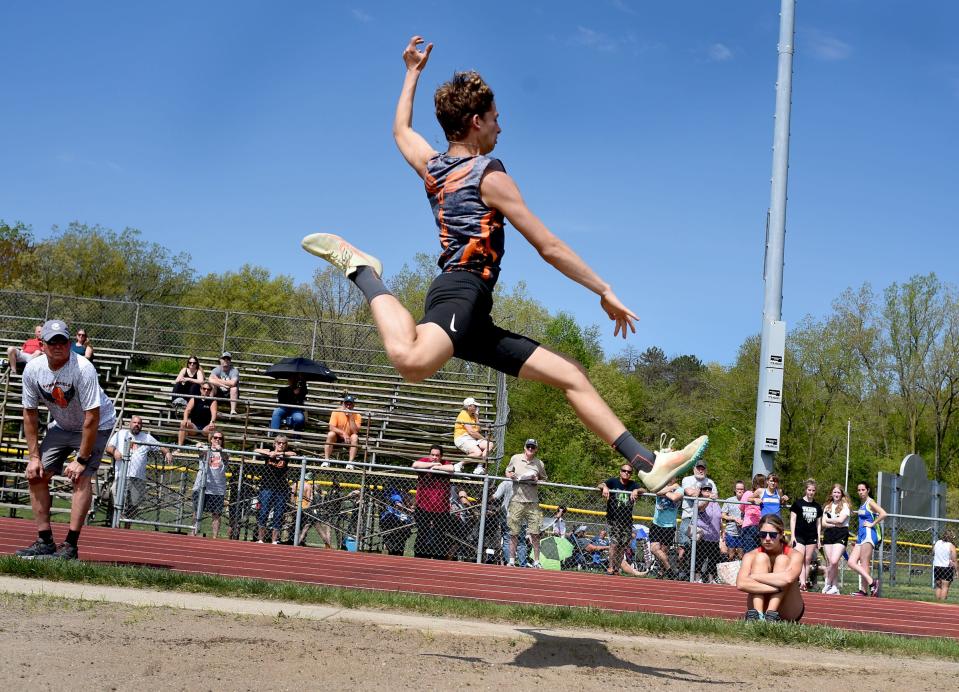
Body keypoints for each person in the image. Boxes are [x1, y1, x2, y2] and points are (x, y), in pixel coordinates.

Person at [301, 35, 708, 493]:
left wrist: (411, 73)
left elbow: (400, 131)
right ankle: (365, 273)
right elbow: (548, 245)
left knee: (571, 375)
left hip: (472, 308)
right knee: (410, 360)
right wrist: (603, 288)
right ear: (476, 122)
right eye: (495, 118)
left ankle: (647, 462)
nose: (500, 126)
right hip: (460, 292)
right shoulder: (488, 174)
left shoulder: (432, 166)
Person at [14, 320, 116, 560]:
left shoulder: (83, 368)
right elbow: (29, 413)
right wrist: (33, 457)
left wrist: (81, 459)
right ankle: (44, 540)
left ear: (70, 343)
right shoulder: (33, 370)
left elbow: (92, 416)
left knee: (81, 476)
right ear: (42, 344)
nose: (58, 346)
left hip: (97, 424)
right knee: (36, 475)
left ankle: (70, 545)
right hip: (62, 425)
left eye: (63, 341)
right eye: (52, 342)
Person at [104, 415, 174, 525]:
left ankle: (127, 528)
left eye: (139, 423)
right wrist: (115, 452)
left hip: (138, 478)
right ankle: (115, 525)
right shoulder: (121, 433)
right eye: (135, 422)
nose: (137, 425)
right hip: (121, 475)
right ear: (130, 424)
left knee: (134, 505)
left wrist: (167, 452)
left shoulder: (147, 437)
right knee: (116, 501)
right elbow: (109, 447)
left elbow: (161, 446)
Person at [736, 513, 805, 622]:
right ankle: (758, 614)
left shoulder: (795, 555)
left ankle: (771, 614)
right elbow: (741, 584)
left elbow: (788, 578)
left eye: (772, 535)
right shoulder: (751, 555)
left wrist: (753, 576)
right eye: (763, 534)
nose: (767, 539)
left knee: (782, 559)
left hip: (788, 609)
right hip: (759, 606)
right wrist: (777, 588)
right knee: (760, 558)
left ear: (781, 534)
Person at [505, 439, 547, 568]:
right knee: (514, 532)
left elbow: (545, 479)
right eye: (528, 446)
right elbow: (507, 471)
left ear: (536, 449)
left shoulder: (539, 463)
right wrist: (511, 475)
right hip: (516, 500)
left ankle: (536, 561)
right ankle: (511, 560)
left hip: (532, 502)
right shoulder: (515, 458)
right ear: (524, 447)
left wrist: (536, 479)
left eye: (532, 447)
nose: (530, 449)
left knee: (535, 533)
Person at [411, 443, 455, 559]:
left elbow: (452, 469)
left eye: (437, 455)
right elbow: (415, 465)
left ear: (441, 456)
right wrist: (431, 464)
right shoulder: (426, 461)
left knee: (439, 535)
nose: (435, 457)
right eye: (432, 455)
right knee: (422, 532)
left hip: (441, 508)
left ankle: (438, 559)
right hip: (423, 506)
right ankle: (420, 557)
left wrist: (437, 467)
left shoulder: (445, 463)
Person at [599, 463, 641, 576]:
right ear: (620, 472)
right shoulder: (613, 481)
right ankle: (610, 567)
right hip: (613, 519)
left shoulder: (633, 484)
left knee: (622, 545)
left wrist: (636, 491)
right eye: (624, 470)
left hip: (626, 520)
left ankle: (617, 568)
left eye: (629, 472)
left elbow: (643, 489)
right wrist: (605, 487)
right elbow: (600, 484)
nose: (626, 473)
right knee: (613, 544)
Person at [847, 481, 887, 597]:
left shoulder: (870, 502)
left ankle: (866, 589)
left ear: (868, 490)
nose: (860, 492)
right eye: (859, 490)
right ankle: (870, 584)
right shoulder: (862, 503)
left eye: (863, 490)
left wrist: (872, 524)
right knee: (851, 562)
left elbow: (883, 513)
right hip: (861, 536)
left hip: (869, 534)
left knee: (865, 563)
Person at [253, 435, 294, 544]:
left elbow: (293, 454)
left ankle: (274, 540)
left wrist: (279, 454)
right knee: (263, 512)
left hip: (281, 489)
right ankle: (261, 538)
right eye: (279, 443)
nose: (281, 445)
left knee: (279, 514)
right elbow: (256, 449)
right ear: (275, 443)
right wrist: (270, 454)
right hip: (267, 487)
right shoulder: (269, 451)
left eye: (283, 443)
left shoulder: (286, 454)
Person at [191, 431, 229, 537]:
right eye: (215, 437)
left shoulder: (224, 452)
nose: (217, 440)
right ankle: (193, 532)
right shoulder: (206, 450)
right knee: (197, 511)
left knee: (216, 514)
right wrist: (198, 445)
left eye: (220, 438)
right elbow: (199, 450)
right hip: (202, 486)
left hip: (217, 488)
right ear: (211, 439)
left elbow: (226, 457)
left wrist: (220, 450)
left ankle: (214, 537)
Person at [678, 461, 716, 565]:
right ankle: (679, 571)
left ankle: (690, 572)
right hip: (689, 516)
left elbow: (715, 496)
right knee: (683, 545)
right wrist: (705, 494)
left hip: (704, 519)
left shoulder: (711, 482)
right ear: (694, 469)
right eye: (698, 468)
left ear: (706, 470)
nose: (700, 470)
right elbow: (689, 493)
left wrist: (699, 493)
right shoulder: (687, 479)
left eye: (703, 468)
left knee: (699, 548)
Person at [789, 478, 823, 591]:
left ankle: (803, 583)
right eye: (809, 490)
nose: (811, 492)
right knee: (799, 558)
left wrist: (818, 538)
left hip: (812, 535)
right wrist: (793, 535)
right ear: (805, 490)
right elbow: (793, 519)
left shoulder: (817, 506)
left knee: (807, 559)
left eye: (813, 490)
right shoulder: (798, 503)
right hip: (799, 534)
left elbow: (819, 524)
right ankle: (801, 581)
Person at [820, 483, 850, 595]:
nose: (836, 494)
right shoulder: (827, 506)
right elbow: (823, 522)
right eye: (834, 492)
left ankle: (828, 582)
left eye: (838, 492)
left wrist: (829, 521)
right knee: (831, 562)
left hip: (841, 534)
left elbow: (841, 521)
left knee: (834, 560)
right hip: (829, 534)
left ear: (841, 494)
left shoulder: (845, 506)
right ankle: (834, 586)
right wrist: (832, 523)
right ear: (831, 493)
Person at [650, 478, 682, 578]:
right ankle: (669, 568)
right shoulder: (662, 485)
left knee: (664, 552)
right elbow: (656, 491)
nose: (669, 478)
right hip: (657, 524)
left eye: (672, 476)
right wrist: (671, 488)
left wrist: (663, 493)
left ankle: (661, 572)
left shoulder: (680, 489)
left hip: (669, 526)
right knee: (654, 549)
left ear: (676, 478)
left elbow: (674, 498)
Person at [453, 397, 491, 474]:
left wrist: (477, 416)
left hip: (470, 439)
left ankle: (479, 467)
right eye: (475, 406)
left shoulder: (472, 416)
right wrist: (484, 438)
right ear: (469, 406)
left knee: (489, 444)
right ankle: (459, 464)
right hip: (462, 438)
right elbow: (471, 432)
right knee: (478, 453)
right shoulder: (464, 414)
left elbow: (478, 429)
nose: (477, 407)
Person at [695, 483, 722, 583]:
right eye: (705, 489)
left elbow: (719, 518)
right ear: (701, 491)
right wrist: (709, 499)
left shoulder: (716, 503)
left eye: (709, 489)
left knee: (713, 559)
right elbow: (701, 508)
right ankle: (697, 579)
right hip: (703, 536)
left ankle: (711, 580)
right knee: (700, 558)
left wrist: (722, 530)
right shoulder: (701, 501)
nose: (707, 491)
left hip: (715, 537)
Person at [325, 393, 362, 465]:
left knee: (355, 437)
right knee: (330, 434)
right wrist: (343, 433)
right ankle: (326, 460)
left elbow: (355, 431)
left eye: (350, 404)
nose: (348, 406)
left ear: (353, 405)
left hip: (350, 438)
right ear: (343, 404)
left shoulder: (357, 415)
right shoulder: (336, 412)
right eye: (346, 404)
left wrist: (351, 417)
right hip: (338, 436)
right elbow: (331, 427)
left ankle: (350, 463)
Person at [740, 473, 766, 553]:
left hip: (762, 527)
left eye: (762, 483)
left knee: (760, 553)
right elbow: (741, 507)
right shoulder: (748, 493)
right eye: (758, 483)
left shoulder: (765, 495)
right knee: (749, 553)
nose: (759, 486)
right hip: (749, 526)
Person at [208, 352, 240, 417]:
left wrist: (217, 380)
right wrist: (223, 385)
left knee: (234, 388)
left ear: (230, 361)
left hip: (230, 394)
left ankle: (233, 410)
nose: (226, 361)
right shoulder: (216, 370)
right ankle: (209, 406)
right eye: (224, 359)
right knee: (212, 385)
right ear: (220, 360)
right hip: (219, 393)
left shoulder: (234, 371)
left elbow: (233, 383)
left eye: (228, 359)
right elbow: (210, 380)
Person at [721, 480, 746, 561]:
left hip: (742, 532)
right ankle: (730, 573)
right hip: (731, 531)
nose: (740, 490)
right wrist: (734, 518)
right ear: (735, 490)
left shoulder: (747, 501)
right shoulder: (729, 500)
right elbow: (723, 515)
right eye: (738, 488)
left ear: (744, 490)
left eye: (742, 489)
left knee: (741, 556)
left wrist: (743, 521)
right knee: (730, 555)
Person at [933, 530, 957, 601]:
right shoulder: (951, 546)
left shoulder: (937, 542)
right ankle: (943, 603)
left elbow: (933, 552)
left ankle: (937, 602)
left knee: (938, 586)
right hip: (946, 568)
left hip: (937, 566)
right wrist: (957, 571)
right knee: (945, 586)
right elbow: (954, 559)